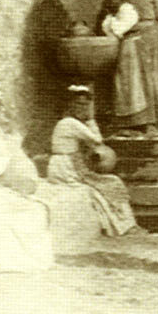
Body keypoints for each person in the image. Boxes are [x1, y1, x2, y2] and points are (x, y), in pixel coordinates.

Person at [0, 87, 54, 273]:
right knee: (28, 210)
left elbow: (12, 156)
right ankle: (15, 259)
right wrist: (9, 176)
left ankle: (33, 256)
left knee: (37, 207)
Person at [47, 86, 136, 236]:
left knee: (108, 183)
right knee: (111, 182)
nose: (83, 108)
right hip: (65, 168)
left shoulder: (70, 123)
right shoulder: (70, 123)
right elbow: (97, 140)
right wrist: (91, 120)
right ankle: (125, 225)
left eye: (86, 105)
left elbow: (93, 145)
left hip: (67, 165)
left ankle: (125, 223)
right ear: (70, 104)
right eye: (79, 104)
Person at [100, 0, 158, 131]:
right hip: (123, 50)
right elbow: (108, 32)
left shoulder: (128, 11)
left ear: (121, 0)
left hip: (134, 48)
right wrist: (110, 20)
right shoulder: (110, 17)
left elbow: (120, 30)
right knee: (125, 85)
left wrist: (112, 20)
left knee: (137, 83)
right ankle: (128, 121)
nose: (112, 2)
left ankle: (144, 121)